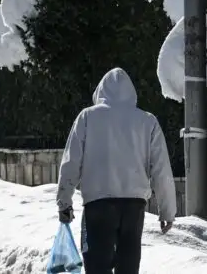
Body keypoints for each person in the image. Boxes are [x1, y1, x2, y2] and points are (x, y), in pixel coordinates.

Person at [56, 68, 176, 274]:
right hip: (134, 207)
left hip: (98, 205)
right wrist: (167, 210)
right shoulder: (148, 121)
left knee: (97, 266)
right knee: (128, 267)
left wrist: (64, 201)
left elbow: (71, 161)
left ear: (100, 91)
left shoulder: (87, 117)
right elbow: (161, 169)